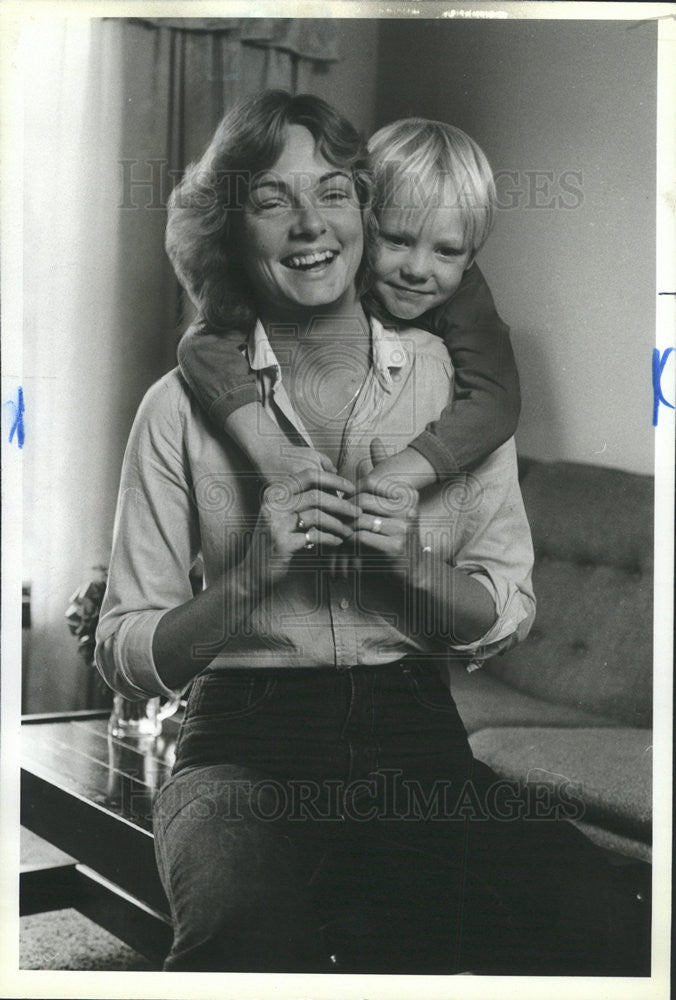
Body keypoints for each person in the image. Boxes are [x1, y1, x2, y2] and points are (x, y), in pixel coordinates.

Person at [95, 90, 650, 975]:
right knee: (243, 938)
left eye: (333, 192)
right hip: (241, 746)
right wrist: (249, 578)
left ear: (364, 202)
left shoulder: (455, 394)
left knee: (605, 925)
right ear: (232, 230)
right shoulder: (175, 407)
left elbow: (504, 614)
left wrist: (413, 566)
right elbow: (122, 652)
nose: (310, 223)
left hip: (416, 738)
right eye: (273, 200)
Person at [176, 117, 520, 490]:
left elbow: (496, 401)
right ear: (361, 222)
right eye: (397, 240)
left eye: (448, 251)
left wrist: (402, 471)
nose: (419, 270)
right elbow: (202, 344)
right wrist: (267, 448)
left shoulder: (466, 298)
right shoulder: (321, 276)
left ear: (470, 258)